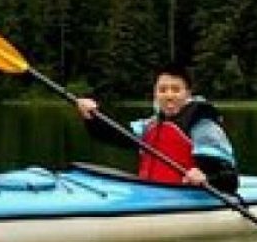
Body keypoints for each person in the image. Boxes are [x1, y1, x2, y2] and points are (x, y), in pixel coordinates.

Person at [75, 62, 238, 193]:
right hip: (150, 193)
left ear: (188, 93)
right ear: (155, 93)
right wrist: (91, 116)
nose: (169, 96)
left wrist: (207, 178)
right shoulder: (149, 125)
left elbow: (229, 179)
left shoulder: (202, 126)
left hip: (187, 197)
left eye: (176, 90)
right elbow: (113, 134)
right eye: (163, 90)